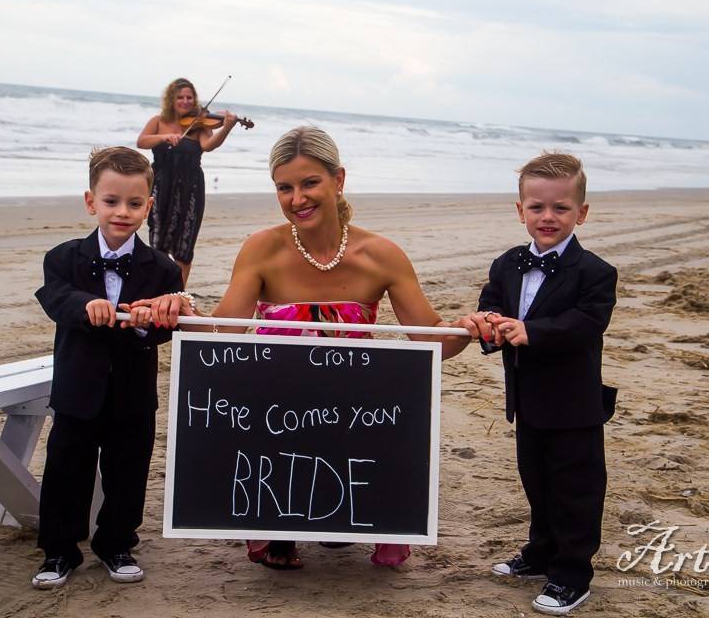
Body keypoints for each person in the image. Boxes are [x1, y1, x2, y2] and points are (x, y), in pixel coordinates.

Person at [136, 126, 472, 570]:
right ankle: (281, 527)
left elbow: (431, 340)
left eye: (310, 182)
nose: (298, 198)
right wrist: (178, 305)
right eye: (285, 187)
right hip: (272, 409)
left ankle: (350, 519)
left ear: (339, 180)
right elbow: (223, 334)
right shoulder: (262, 248)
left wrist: (469, 328)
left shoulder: (382, 255)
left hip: (353, 411)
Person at [464, 153, 617, 615]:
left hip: (574, 406)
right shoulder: (507, 263)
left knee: (576, 490)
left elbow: (587, 322)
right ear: (520, 210)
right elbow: (491, 303)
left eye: (560, 208)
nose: (547, 217)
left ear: (581, 214)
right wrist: (485, 322)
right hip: (527, 401)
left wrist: (535, 331)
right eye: (537, 207)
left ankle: (572, 574)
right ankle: (540, 552)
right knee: (536, 481)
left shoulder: (596, 273)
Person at [31, 146, 183, 589]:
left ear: (148, 207)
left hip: (133, 394)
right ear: (90, 201)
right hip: (78, 389)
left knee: (129, 472)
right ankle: (59, 551)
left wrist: (145, 324)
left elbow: (167, 326)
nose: (122, 212)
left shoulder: (163, 268)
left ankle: (116, 543)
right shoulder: (63, 258)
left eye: (135, 204)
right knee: (65, 469)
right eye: (111, 201)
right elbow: (56, 299)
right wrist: (87, 305)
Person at [137, 77, 238, 287]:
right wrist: (165, 136)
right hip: (161, 184)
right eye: (180, 97)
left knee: (185, 241)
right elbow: (142, 141)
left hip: (190, 187)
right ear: (171, 99)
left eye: (189, 97)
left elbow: (209, 145)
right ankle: (156, 288)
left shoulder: (199, 124)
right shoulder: (158, 120)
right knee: (158, 239)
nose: (185, 101)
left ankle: (178, 291)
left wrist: (226, 127)